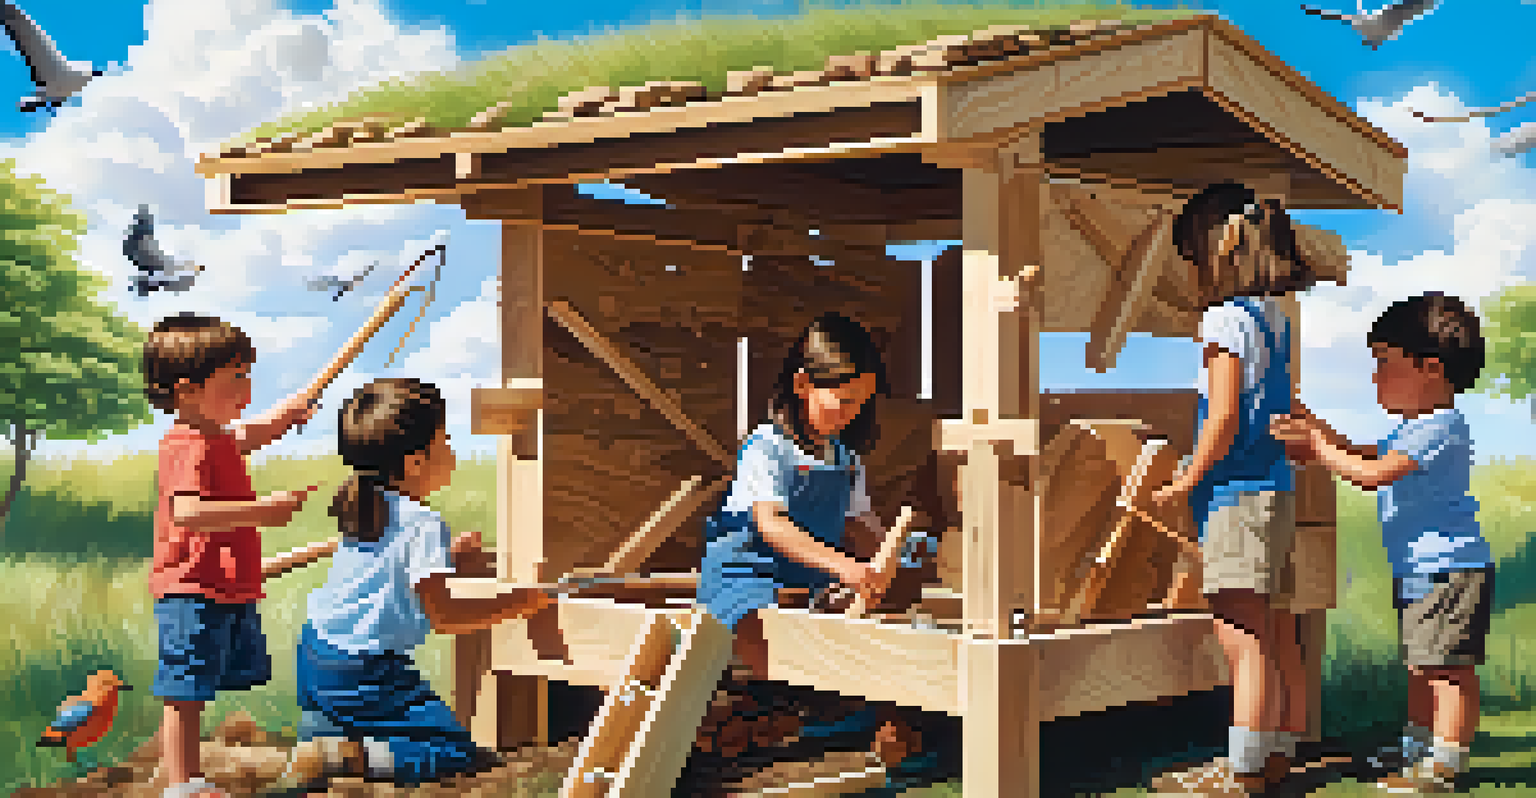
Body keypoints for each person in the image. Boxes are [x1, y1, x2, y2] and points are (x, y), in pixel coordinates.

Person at [1271, 293, 1494, 793]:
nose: (1375, 377)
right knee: (1421, 663)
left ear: (1431, 369)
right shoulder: (1413, 427)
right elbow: (1359, 450)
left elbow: (1372, 473)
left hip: (1448, 569)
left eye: (1385, 364)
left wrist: (1318, 448)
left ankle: (1445, 762)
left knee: (1446, 670)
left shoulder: (1440, 426)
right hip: (1421, 569)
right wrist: (1315, 426)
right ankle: (1418, 747)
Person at [284, 378, 554, 788]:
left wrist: (450, 562)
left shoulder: (368, 506)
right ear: (414, 462)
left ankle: (323, 748)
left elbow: (388, 575)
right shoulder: (424, 522)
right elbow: (444, 617)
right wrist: (519, 602)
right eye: (444, 440)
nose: (452, 451)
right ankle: (349, 757)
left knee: (332, 728)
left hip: (316, 655)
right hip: (366, 670)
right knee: (457, 753)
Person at [1149, 183, 1320, 795]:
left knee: (1240, 635)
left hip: (1234, 494)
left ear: (1213, 255)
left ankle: (1241, 769)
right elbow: (1285, 402)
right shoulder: (1274, 319)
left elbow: (1221, 417)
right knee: (1272, 630)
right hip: (1272, 489)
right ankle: (1277, 751)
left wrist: (1185, 479)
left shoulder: (1223, 320)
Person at [143, 314, 321, 798]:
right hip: (191, 585)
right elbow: (187, 512)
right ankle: (180, 782)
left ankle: (176, 768)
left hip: (215, 583)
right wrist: (262, 511)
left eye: (247, 376)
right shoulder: (186, 444)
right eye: (235, 379)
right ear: (186, 391)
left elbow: (252, 433)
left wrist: (287, 416)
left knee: (196, 682)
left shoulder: (214, 435)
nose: (247, 389)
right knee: (185, 689)